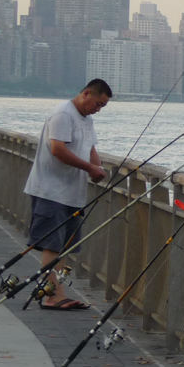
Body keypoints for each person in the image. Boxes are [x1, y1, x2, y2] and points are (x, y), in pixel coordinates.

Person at [22, 79, 112, 310]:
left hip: (72, 194)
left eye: (103, 106)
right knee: (52, 245)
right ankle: (51, 296)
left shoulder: (87, 119)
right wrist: (89, 168)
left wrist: (97, 169)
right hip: (51, 191)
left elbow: (91, 148)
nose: (98, 109)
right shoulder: (63, 114)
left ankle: (59, 293)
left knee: (64, 248)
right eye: (98, 103)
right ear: (87, 93)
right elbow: (58, 149)